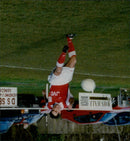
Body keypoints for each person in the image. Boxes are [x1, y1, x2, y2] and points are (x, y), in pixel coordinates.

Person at [47, 34, 77, 118]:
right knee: (73, 60)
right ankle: (69, 39)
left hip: (54, 82)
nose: (55, 108)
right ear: (60, 112)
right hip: (65, 81)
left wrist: (44, 94)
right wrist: (71, 104)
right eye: (56, 111)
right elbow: (71, 100)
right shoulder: (65, 104)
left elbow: (45, 103)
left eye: (53, 110)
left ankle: (64, 52)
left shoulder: (49, 105)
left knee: (58, 71)